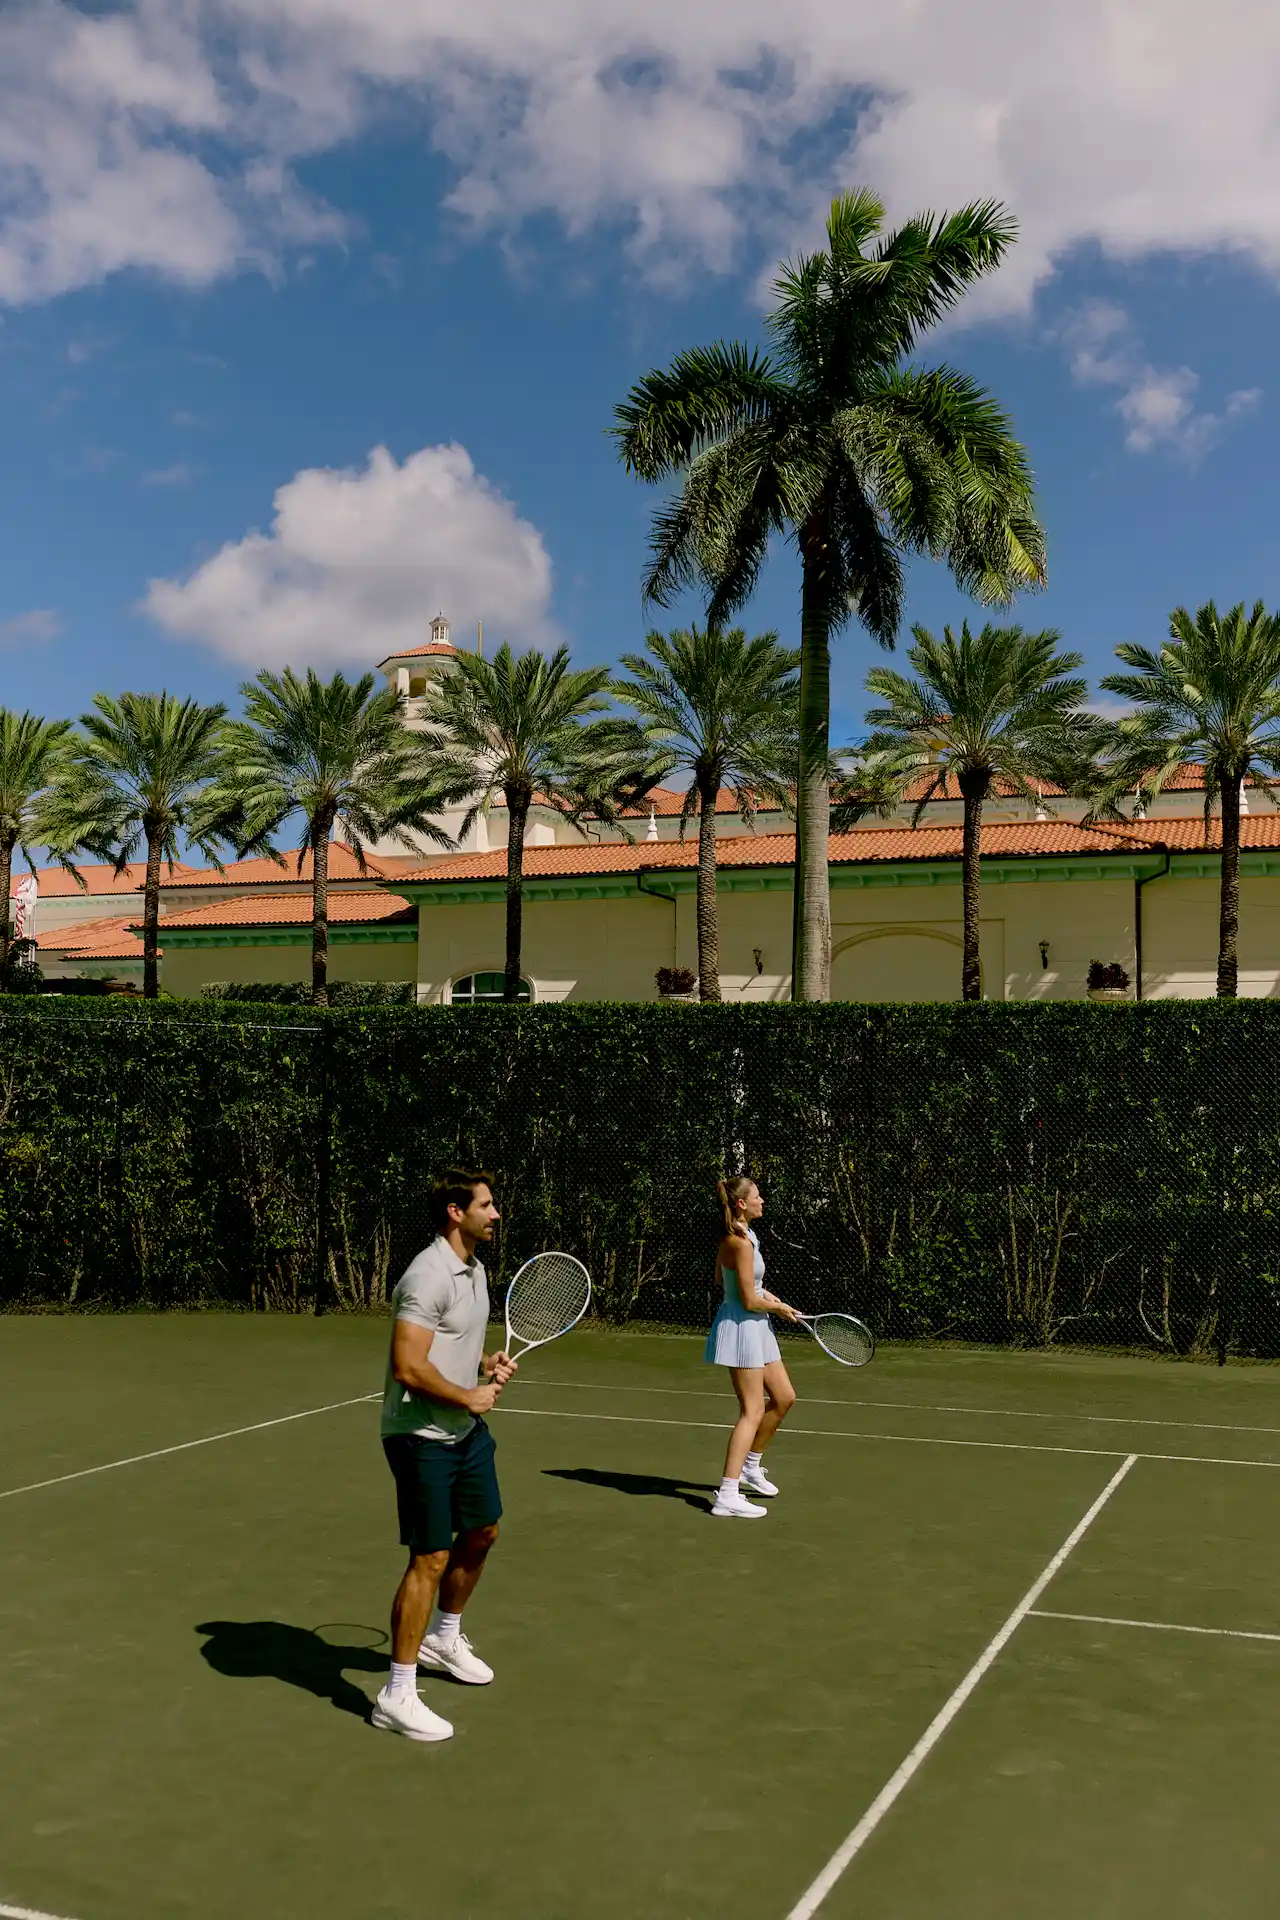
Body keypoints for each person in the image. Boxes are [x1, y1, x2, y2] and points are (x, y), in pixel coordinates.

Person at [372, 1169, 516, 1743]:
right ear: (457, 1213)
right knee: (430, 1557)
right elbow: (408, 1366)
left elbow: (451, 1339)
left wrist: (482, 1365)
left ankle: (444, 1637)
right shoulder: (425, 1275)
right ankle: (396, 1693)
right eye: (486, 1205)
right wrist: (468, 1394)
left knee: (482, 1530)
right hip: (420, 1436)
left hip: (464, 1429)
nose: (496, 1214)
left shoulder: (475, 1270)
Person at [704, 1176, 799, 1518]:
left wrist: (768, 1296)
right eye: (758, 1196)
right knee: (752, 1411)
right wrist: (776, 1307)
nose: (763, 1200)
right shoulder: (738, 1241)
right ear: (742, 1204)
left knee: (785, 1397)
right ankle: (727, 1494)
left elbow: (724, 1279)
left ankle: (750, 1466)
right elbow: (743, 1298)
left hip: (757, 1326)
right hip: (742, 1328)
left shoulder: (746, 1236)